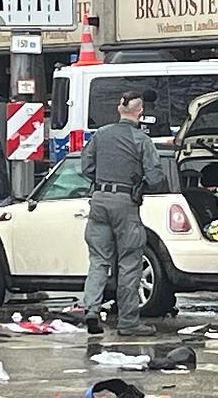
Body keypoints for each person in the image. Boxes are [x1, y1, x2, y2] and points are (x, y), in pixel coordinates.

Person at [81, 91, 167, 337]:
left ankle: (92, 309)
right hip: (125, 203)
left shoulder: (101, 134)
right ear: (140, 112)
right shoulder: (141, 140)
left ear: (119, 109)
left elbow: (86, 166)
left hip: (98, 200)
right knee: (130, 262)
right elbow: (155, 176)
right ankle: (128, 322)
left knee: (98, 260)